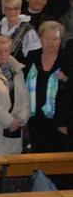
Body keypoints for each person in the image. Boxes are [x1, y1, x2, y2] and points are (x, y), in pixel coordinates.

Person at [0, 34, 30, 157]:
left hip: (16, 128)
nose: (3, 54)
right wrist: (8, 121)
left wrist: (21, 118)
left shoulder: (18, 70)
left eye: (6, 50)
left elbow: (25, 97)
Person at [25, 21, 71, 154]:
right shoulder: (32, 56)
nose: (51, 43)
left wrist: (66, 79)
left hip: (59, 121)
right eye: (47, 38)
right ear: (40, 39)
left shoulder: (68, 59)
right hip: (34, 119)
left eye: (55, 39)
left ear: (60, 40)